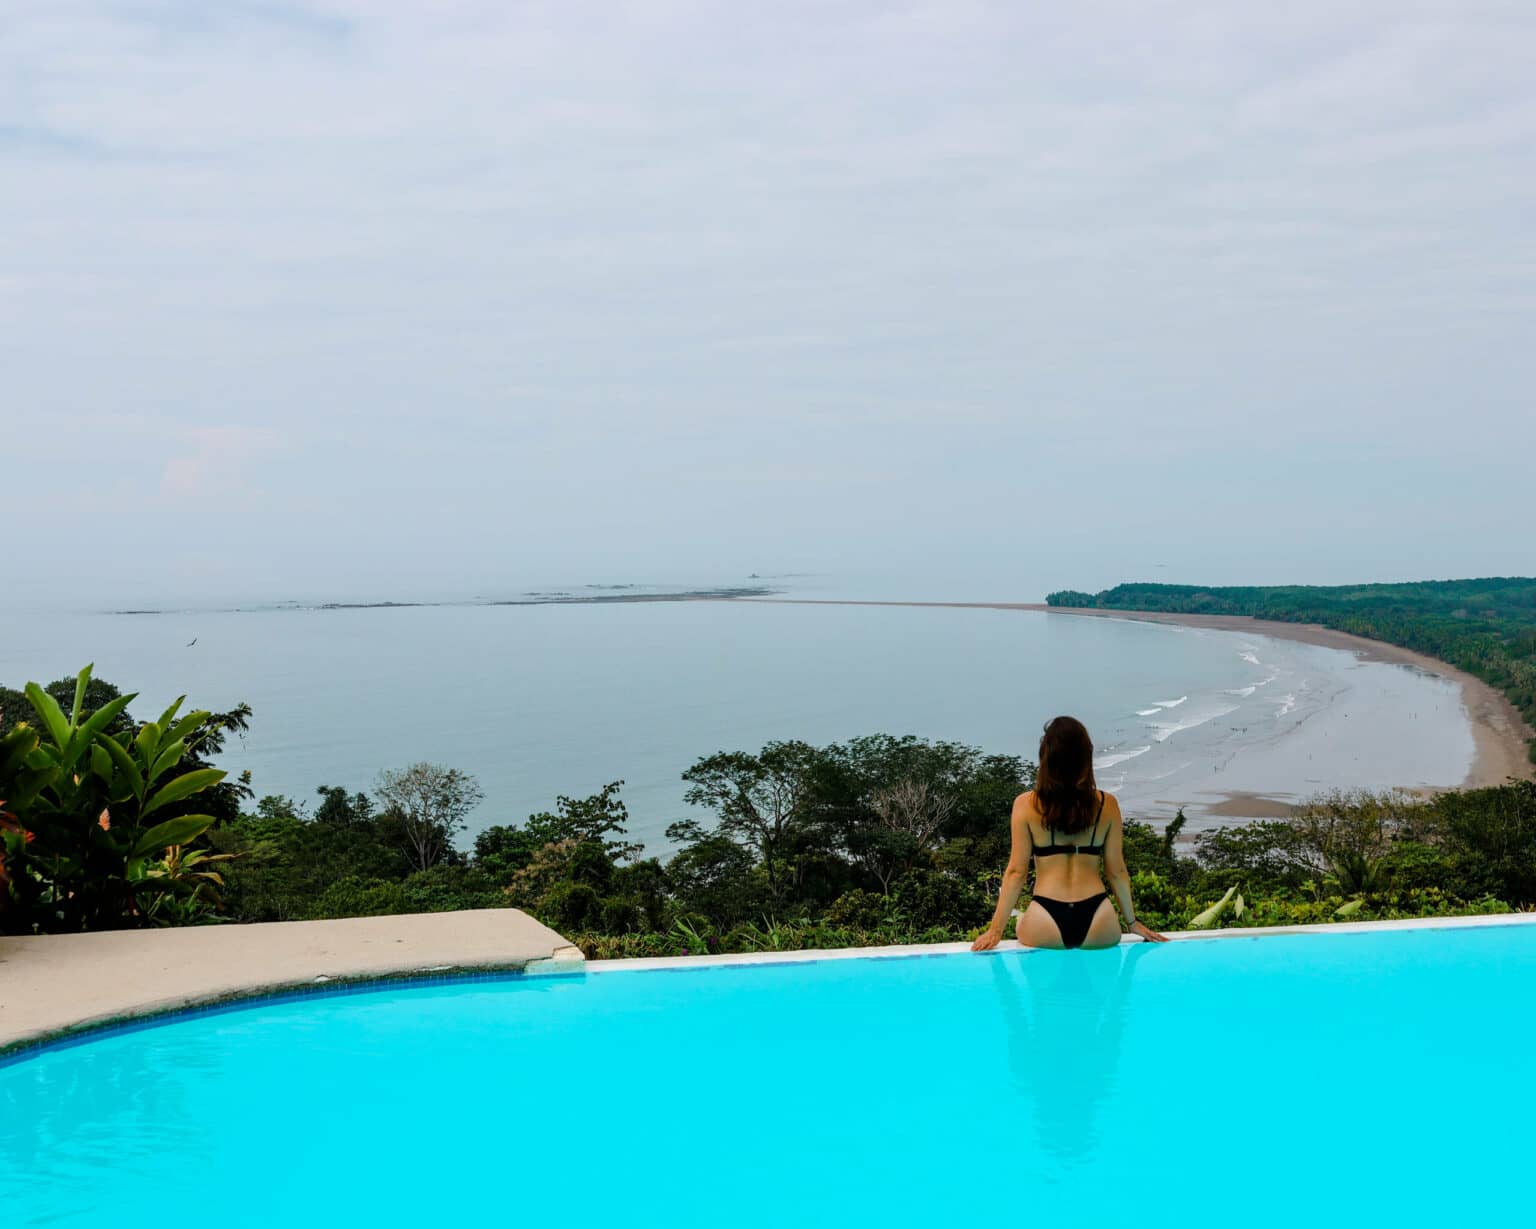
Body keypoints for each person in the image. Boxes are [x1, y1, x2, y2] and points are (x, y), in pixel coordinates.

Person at [972, 715, 1168, 951]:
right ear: (1086, 758)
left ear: (1046, 757)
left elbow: (1016, 872)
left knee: (1023, 928)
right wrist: (1132, 923)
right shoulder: (1107, 805)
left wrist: (995, 930)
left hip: (1045, 918)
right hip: (1099, 918)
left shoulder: (1025, 805)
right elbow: (1116, 871)